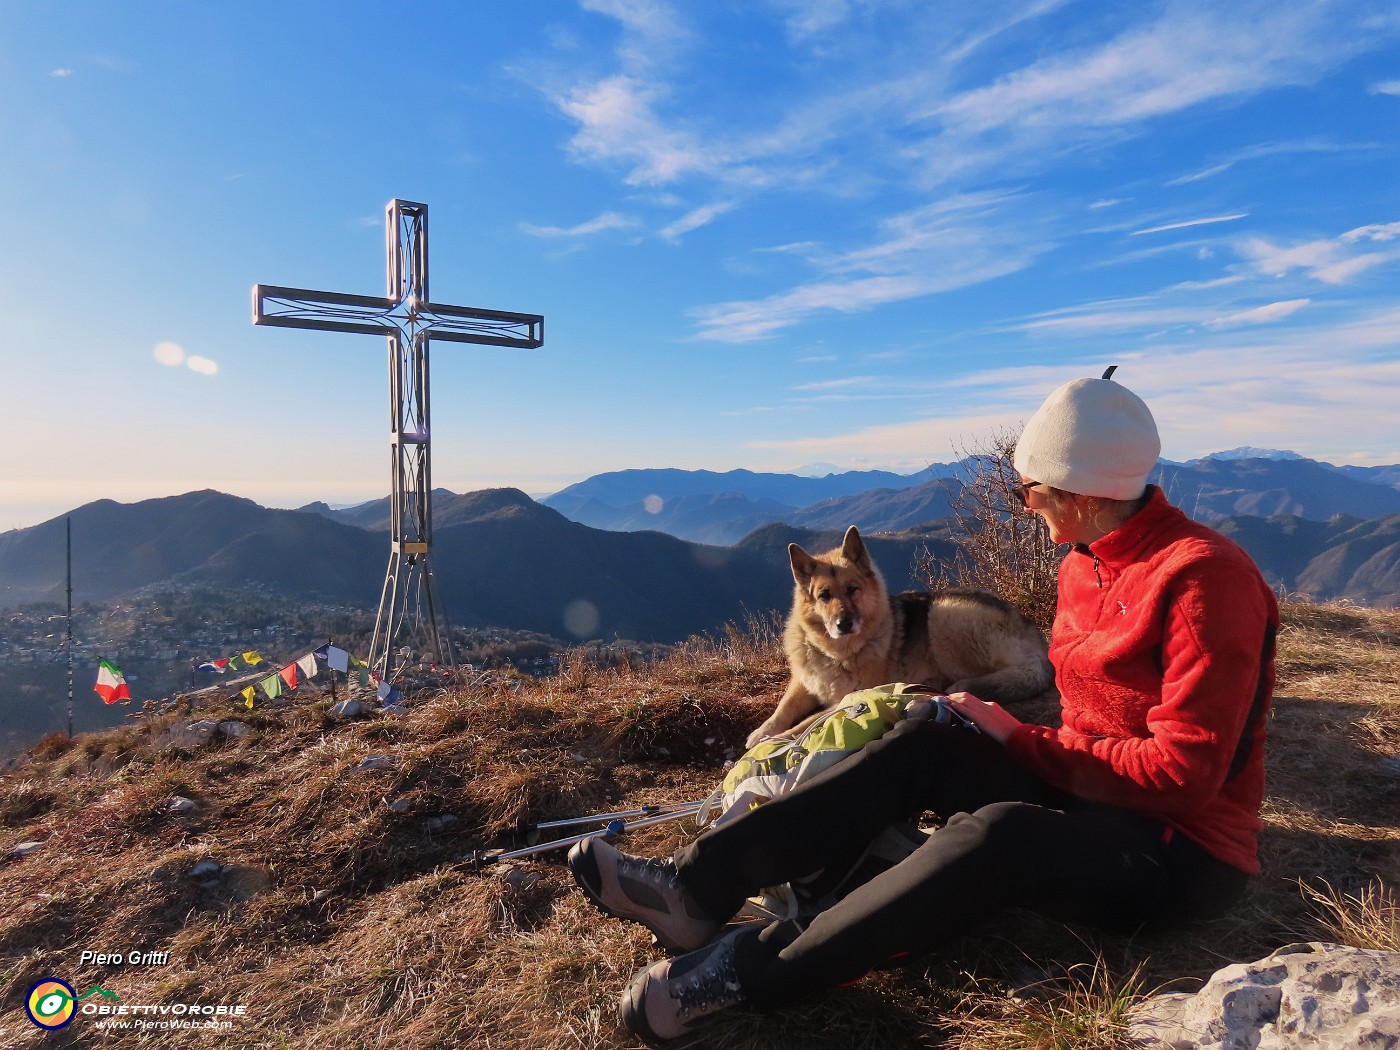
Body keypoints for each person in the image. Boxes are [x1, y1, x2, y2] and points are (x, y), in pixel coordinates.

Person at [567, 370, 1280, 1044]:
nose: (1026, 508)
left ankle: (746, 973)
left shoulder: (1203, 581)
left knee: (1001, 837)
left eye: (1031, 492)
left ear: (1081, 492)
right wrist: (995, 733)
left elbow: (1183, 776)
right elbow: (1094, 723)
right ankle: (694, 890)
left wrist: (1021, 741)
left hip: (1178, 855)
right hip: (1090, 791)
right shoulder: (1085, 562)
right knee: (923, 738)